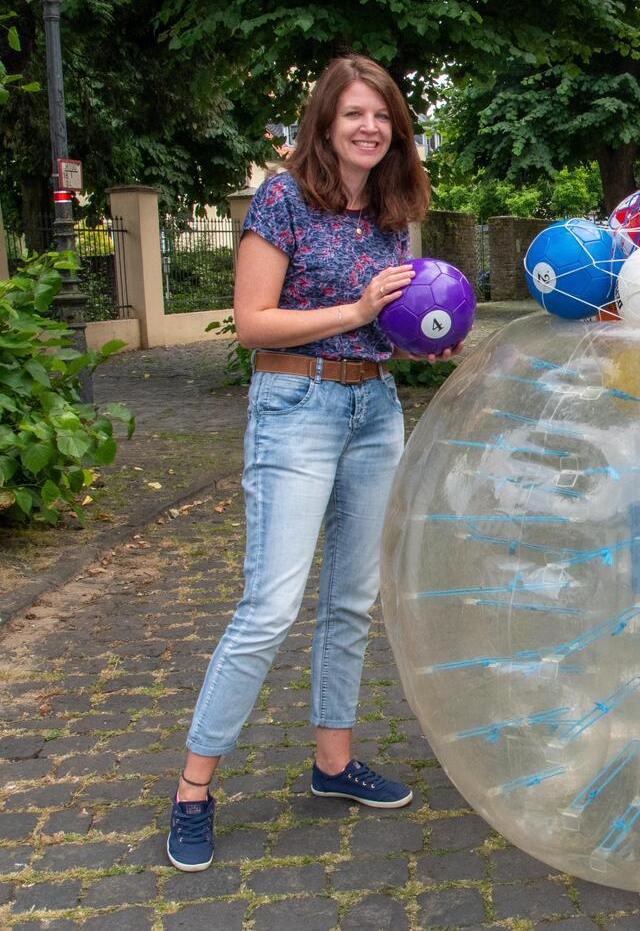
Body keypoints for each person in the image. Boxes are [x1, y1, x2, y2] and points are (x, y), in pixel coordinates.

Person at [167, 54, 459, 872]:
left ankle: (333, 762)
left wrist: (420, 342)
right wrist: (359, 308)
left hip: (375, 408)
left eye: (384, 115)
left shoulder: (394, 208)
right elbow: (254, 322)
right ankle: (193, 788)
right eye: (354, 114)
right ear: (325, 122)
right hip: (296, 408)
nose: (371, 127)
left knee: (352, 601)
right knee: (270, 605)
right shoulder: (283, 195)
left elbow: (385, 322)